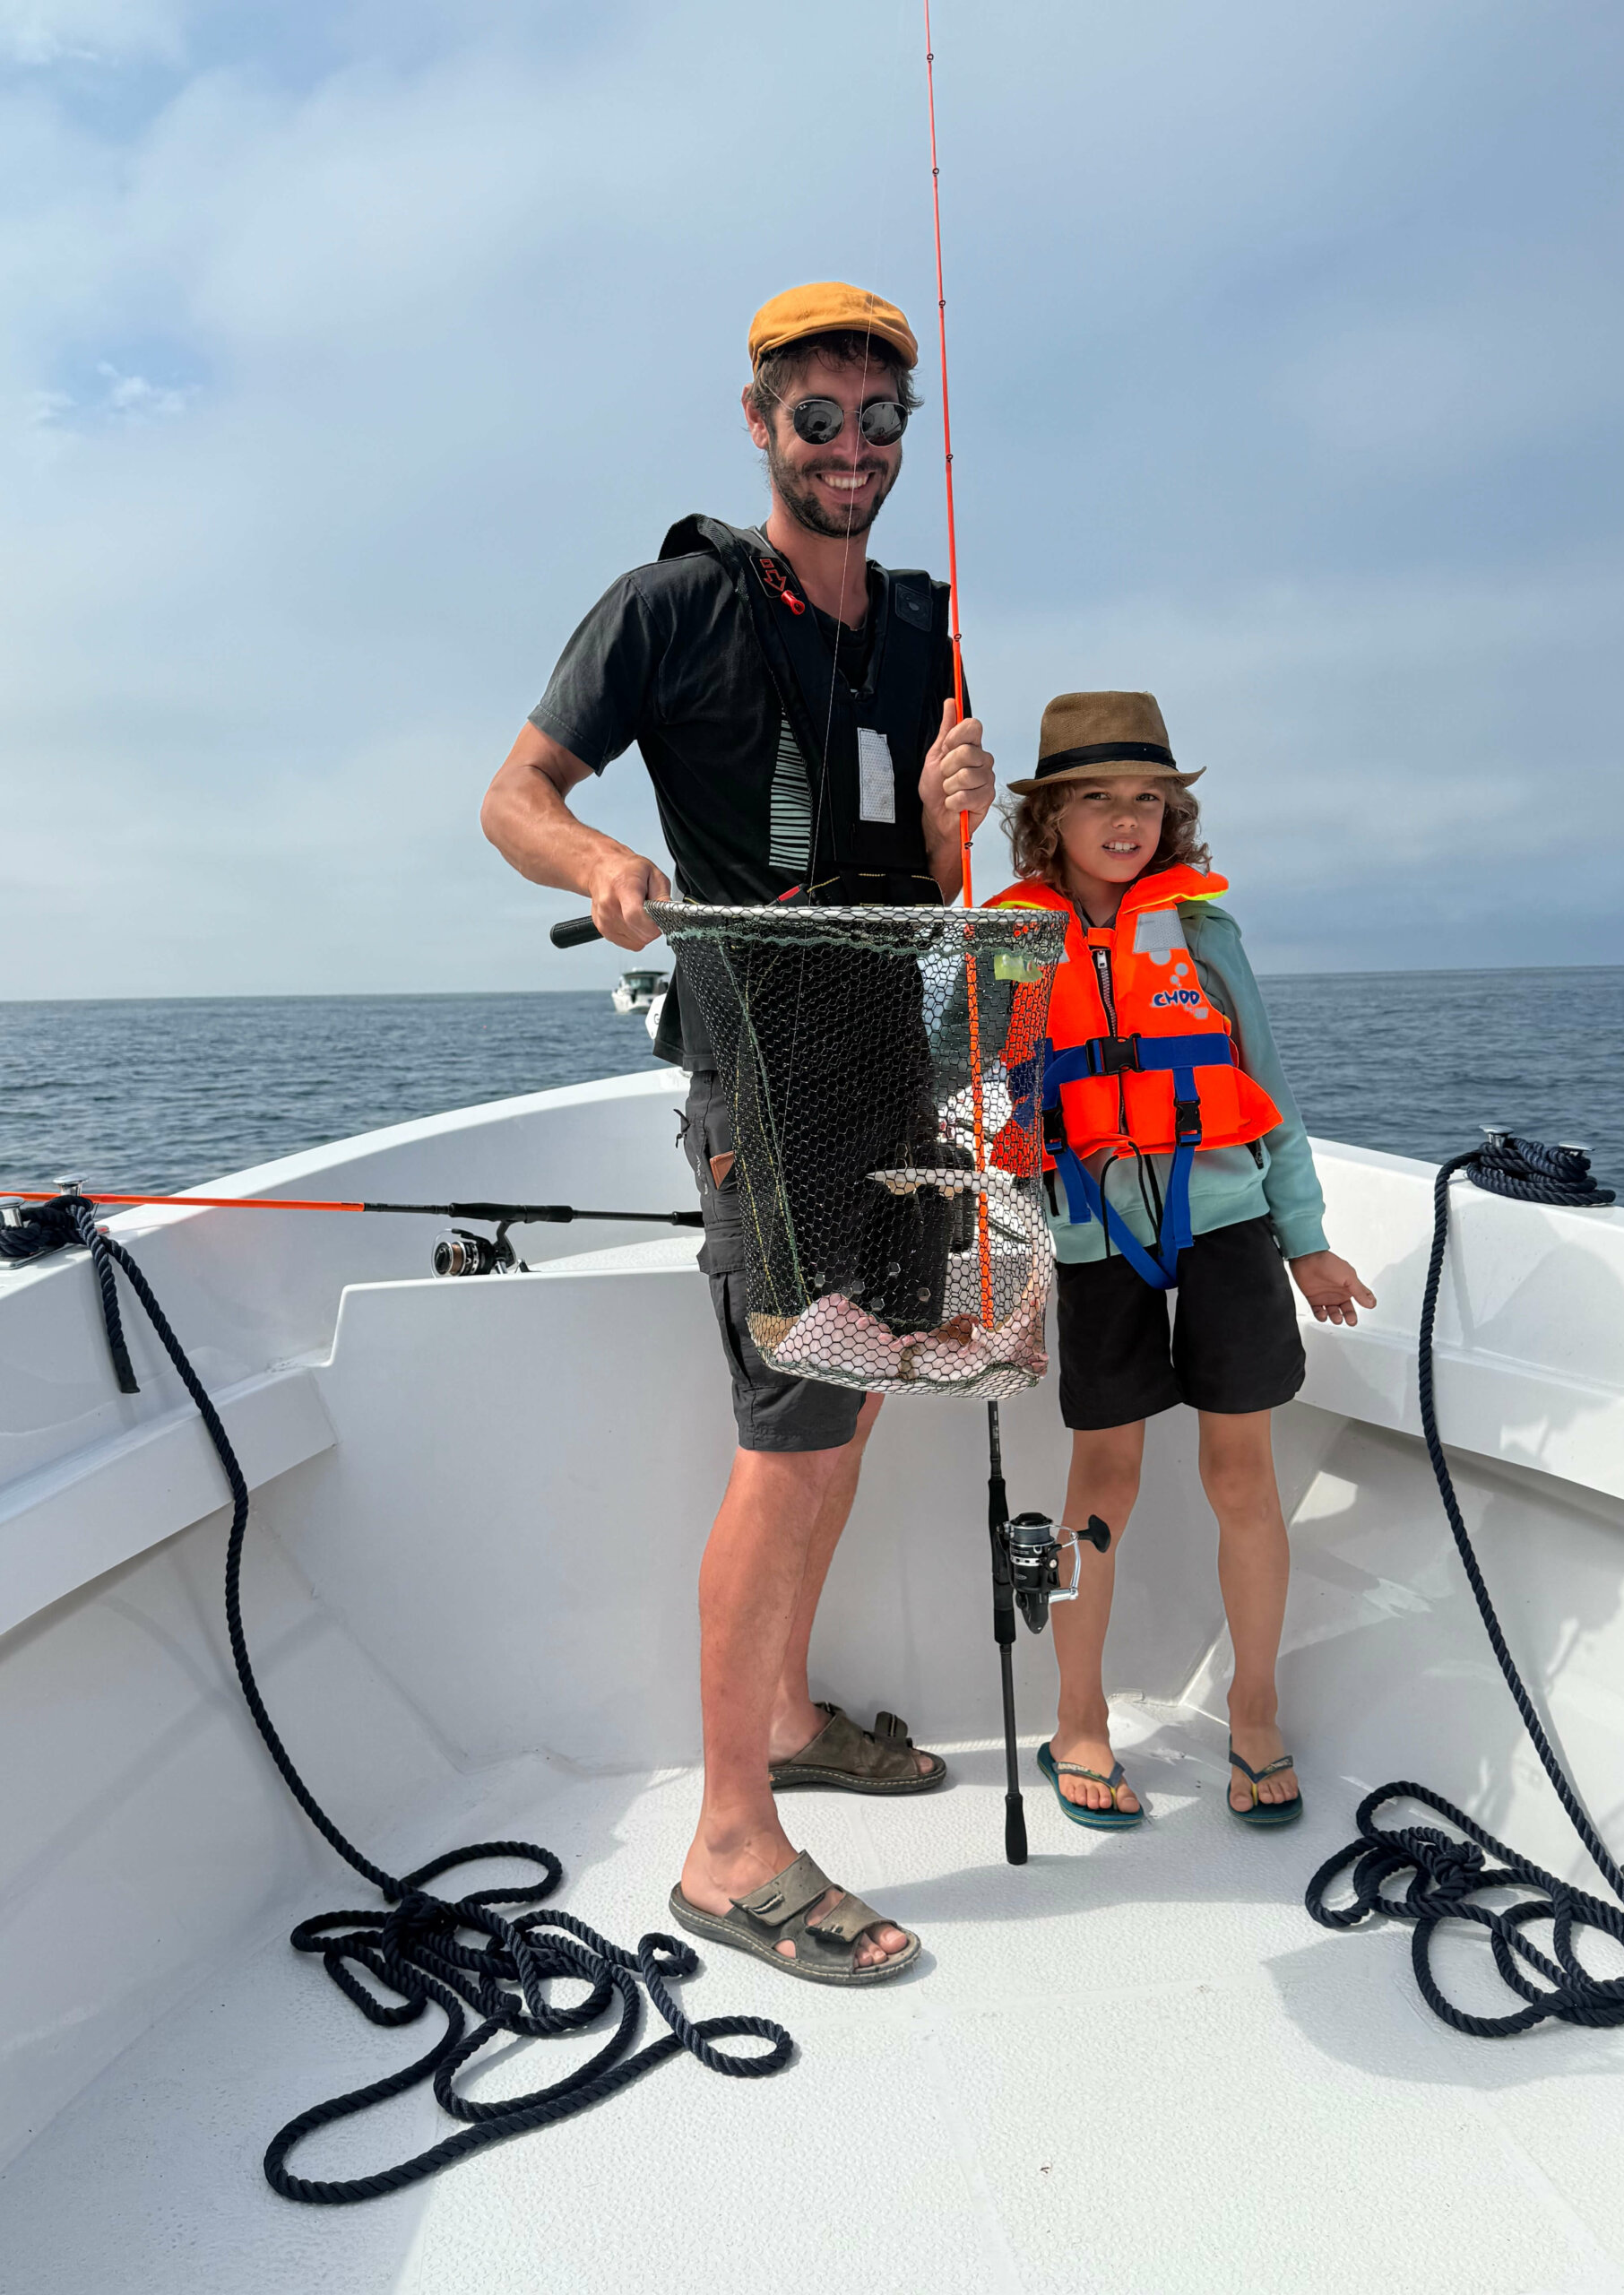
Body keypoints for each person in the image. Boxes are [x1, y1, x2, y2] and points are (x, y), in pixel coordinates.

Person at [479, 282, 995, 1982]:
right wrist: (605, 869)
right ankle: (724, 1845)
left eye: (877, 423)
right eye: (816, 419)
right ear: (761, 424)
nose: (850, 450)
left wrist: (943, 827)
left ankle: (782, 1719)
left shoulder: (922, 629)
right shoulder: (670, 607)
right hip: (761, 1073)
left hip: (884, 1053)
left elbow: (924, 896)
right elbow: (517, 798)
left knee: (849, 1401)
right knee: (792, 1426)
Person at [987, 691, 1376, 1831]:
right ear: (1048, 817)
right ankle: (1079, 1718)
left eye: (1146, 799)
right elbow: (983, 1099)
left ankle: (1254, 1709)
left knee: (1240, 1478)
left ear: (1173, 813)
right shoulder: (1011, 938)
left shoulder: (1204, 931)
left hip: (1227, 1233)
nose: (1125, 820)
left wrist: (1305, 1240)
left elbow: (1272, 1092)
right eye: (1096, 799)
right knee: (1100, 1482)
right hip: (1090, 1245)